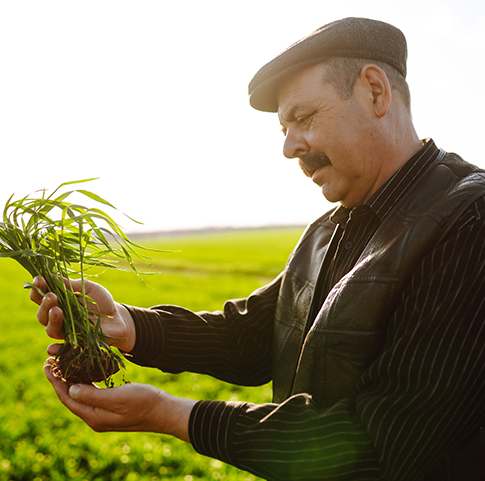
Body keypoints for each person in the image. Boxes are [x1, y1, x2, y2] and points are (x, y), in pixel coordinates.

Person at [31, 17, 485, 480]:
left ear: (374, 91)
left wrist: (173, 415)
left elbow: (383, 442)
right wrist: (129, 326)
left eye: (304, 118)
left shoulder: (470, 219)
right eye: (283, 129)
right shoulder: (331, 227)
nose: (289, 147)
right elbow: (255, 336)